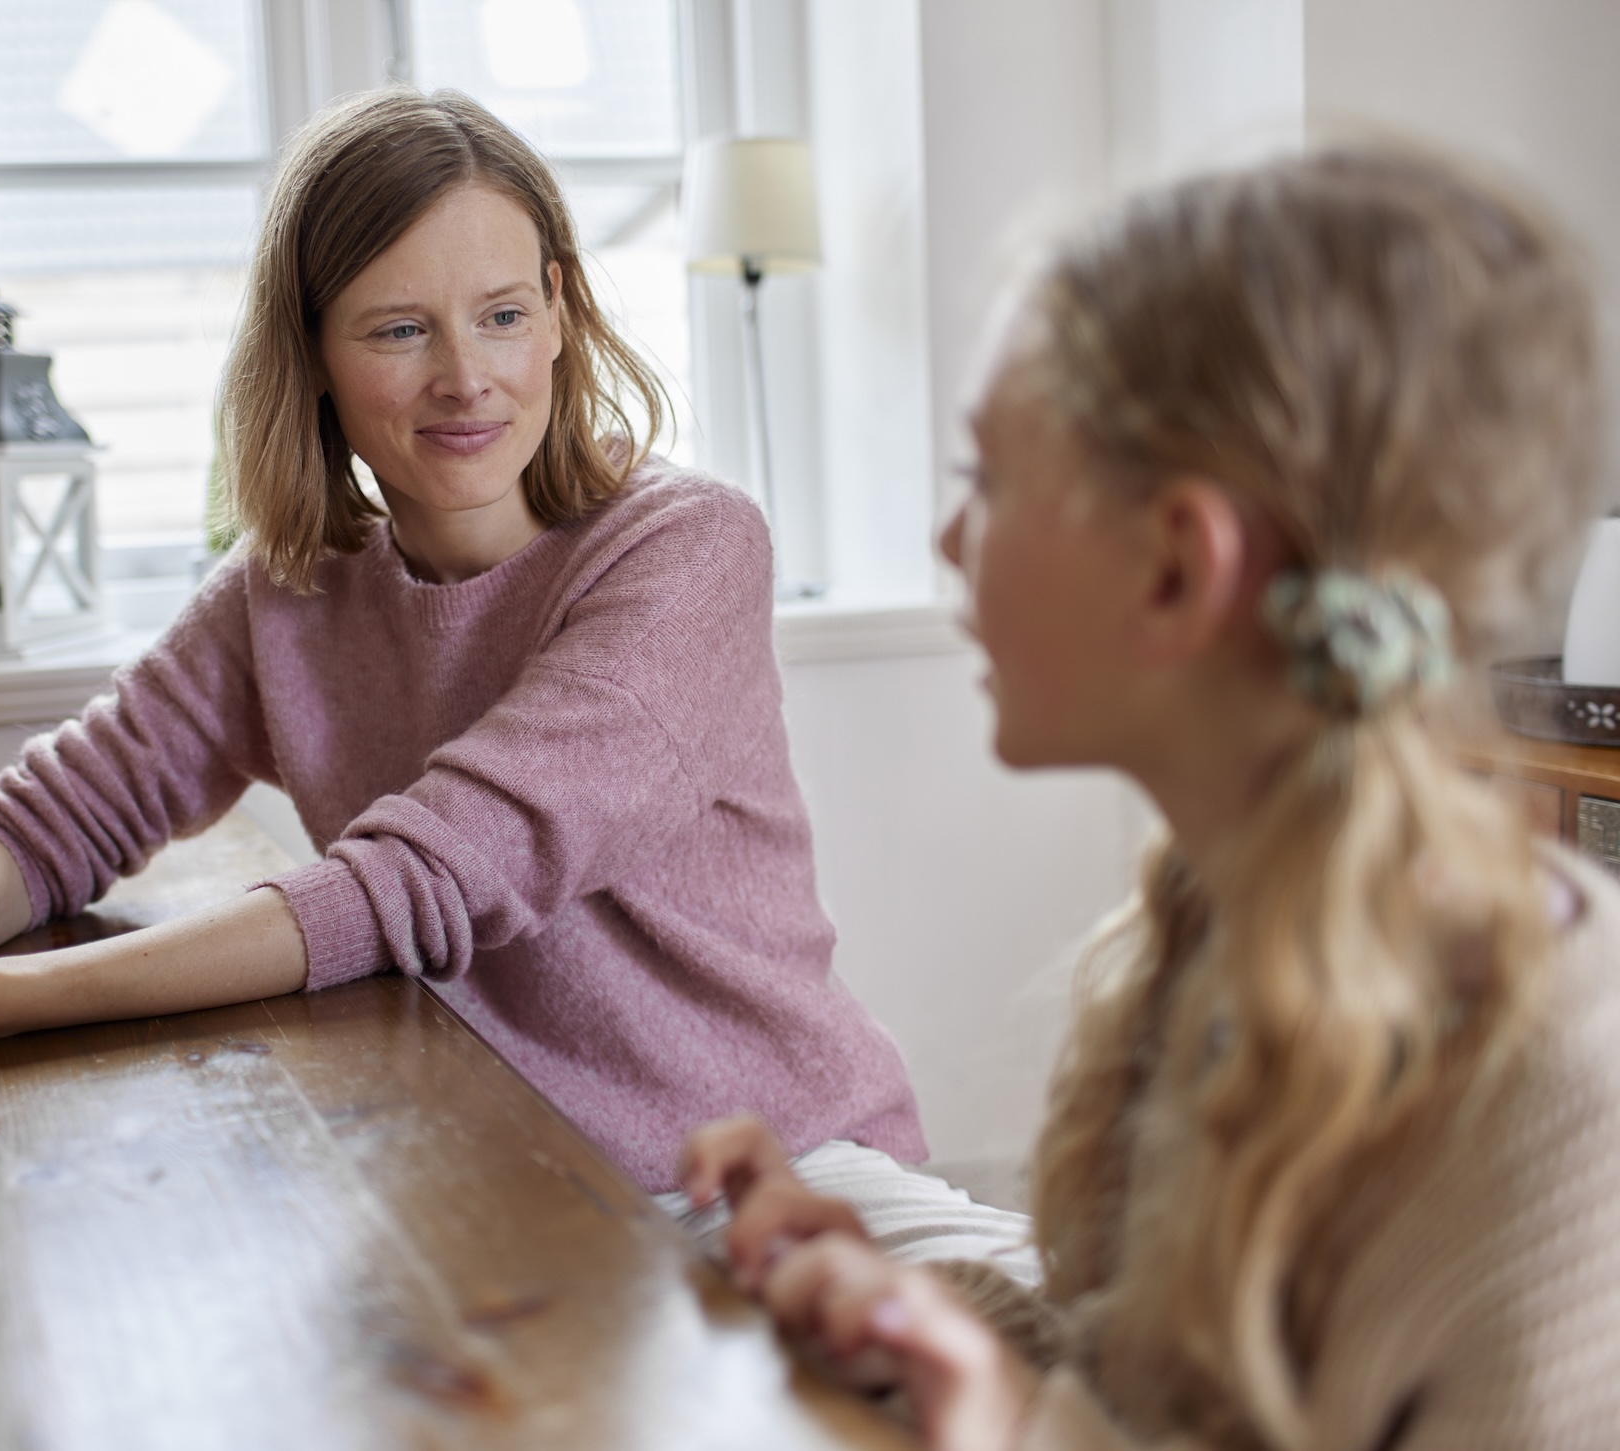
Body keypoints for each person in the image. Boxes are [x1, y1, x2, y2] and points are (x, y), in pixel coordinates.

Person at [0, 87, 1024, 1259]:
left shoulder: (687, 550)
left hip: (781, 1172)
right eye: (397, 330)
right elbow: (59, 809)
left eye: (502, 315)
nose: (465, 379)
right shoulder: (290, 589)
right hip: (500, 1192)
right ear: (315, 356)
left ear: (561, 313)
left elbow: (424, 878)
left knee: (1069, 1387)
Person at [682, 144, 1620, 1447]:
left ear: (1177, 567)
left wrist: (1015, 1423)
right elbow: (1163, 1395)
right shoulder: (1215, 927)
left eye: (985, 484)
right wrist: (907, 1311)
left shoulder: (1553, 1096)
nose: (949, 541)